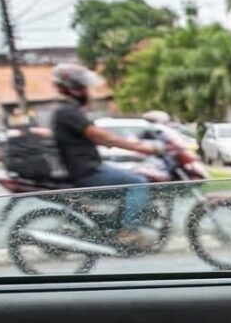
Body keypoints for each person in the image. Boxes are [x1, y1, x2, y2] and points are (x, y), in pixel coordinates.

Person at [47, 63, 160, 240]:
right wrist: (140, 148)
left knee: (131, 175)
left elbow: (98, 137)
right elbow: (103, 137)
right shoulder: (67, 112)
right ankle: (128, 231)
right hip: (88, 171)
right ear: (75, 89)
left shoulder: (65, 111)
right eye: (84, 87)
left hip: (87, 167)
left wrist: (133, 142)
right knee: (138, 183)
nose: (88, 92)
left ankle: (117, 223)